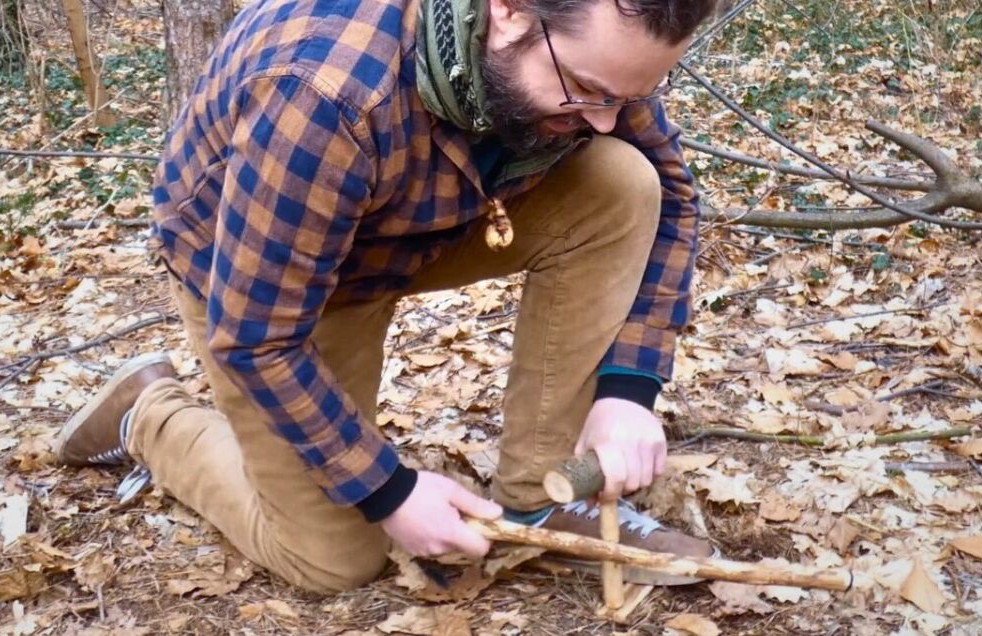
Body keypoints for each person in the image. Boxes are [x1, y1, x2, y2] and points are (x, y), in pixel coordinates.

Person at [54, 0, 719, 594]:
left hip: (410, 222)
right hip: (260, 275)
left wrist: (627, 390)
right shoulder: (324, 93)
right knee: (332, 556)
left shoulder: (585, 44)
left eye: (626, 94)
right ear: (509, 11)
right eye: (585, 91)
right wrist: (389, 489)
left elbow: (673, 193)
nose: (604, 119)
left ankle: (537, 500)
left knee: (623, 183)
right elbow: (256, 332)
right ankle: (147, 414)